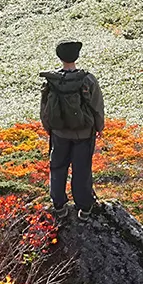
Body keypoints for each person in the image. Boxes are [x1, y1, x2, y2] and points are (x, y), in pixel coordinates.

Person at [39, 40, 105, 215]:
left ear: (59, 56)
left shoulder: (52, 80)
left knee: (58, 167)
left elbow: (44, 107)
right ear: (77, 56)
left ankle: (59, 205)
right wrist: (99, 127)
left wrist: (48, 127)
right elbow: (97, 105)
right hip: (84, 132)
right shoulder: (87, 79)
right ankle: (84, 208)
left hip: (59, 132)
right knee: (82, 169)